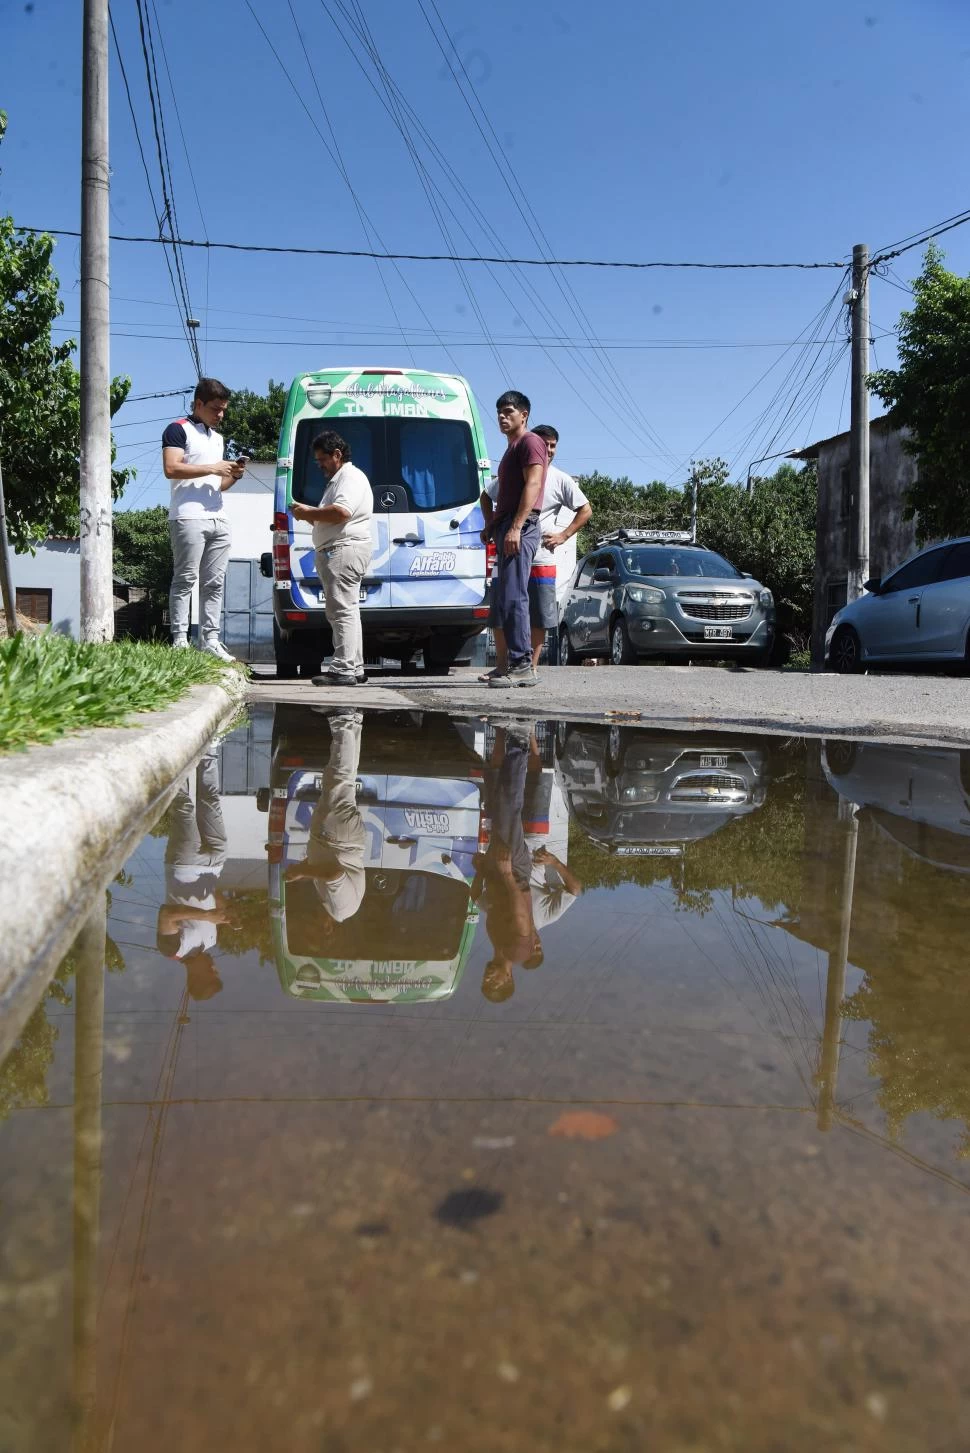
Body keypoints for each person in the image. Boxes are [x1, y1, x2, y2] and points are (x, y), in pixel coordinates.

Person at [480, 423, 591, 679]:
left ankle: (530, 666)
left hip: (540, 554)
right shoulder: (516, 471)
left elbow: (586, 510)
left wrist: (563, 535)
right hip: (510, 547)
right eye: (544, 445)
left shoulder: (560, 479)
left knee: (538, 613)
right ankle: (502, 665)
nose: (548, 450)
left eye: (553, 446)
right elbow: (486, 496)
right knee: (503, 606)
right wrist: (493, 525)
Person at [162, 377, 245, 659]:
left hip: (218, 516)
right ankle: (180, 640)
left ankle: (210, 640)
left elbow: (217, 484)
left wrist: (232, 476)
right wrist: (212, 467)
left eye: (223, 410)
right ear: (198, 404)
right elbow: (172, 469)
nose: (220, 415)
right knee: (185, 578)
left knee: (215, 582)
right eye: (215, 409)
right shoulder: (177, 430)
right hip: (188, 517)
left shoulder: (218, 439)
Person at [291, 431, 374, 687]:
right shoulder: (343, 478)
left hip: (342, 550)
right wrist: (310, 516)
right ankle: (354, 666)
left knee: (341, 611)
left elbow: (341, 512)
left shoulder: (348, 477)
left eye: (322, 459)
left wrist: (308, 512)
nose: (319, 465)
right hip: (342, 549)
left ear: (337, 455)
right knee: (347, 610)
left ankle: (343, 669)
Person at [470, 721, 544, 1001]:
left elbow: (478, 897)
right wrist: (506, 874)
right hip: (512, 871)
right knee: (509, 808)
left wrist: (481, 872)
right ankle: (520, 741)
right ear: (508, 978)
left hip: (497, 870)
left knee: (499, 804)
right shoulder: (518, 952)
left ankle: (512, 739)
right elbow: (522, 917)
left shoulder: (498, 945)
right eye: (494, 982)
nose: (488, 977)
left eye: (486, 982)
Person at [156, 751, 234, 1002]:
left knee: (184, 807)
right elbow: (212, 897)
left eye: (212, 974)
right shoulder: (210, 941)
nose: (215, 968)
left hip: (185, 865)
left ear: (197, 977)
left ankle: (171, 754)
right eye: (217, 973)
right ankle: (210, 751)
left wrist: (207, 916)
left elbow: (167, 914)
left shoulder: (172, 950)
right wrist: (227, 911)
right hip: (214, 865)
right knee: (211, 800)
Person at [484, 391, 549, 689]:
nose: (502, 416)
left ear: (524, 415)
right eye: (499, 412)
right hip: (507, 525)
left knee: (514, 596)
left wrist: (516, 527)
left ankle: (522, 664)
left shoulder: (530, 442)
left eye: (508, 411)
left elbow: (533, 484)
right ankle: (515, 663)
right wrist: (493, 525)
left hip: (521, 527)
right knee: (506, 597)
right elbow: (493, 496)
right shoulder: (511, 450)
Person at [283, 708, 366, 937]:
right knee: (339, 778)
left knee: (343, 780)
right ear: (326, 926)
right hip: (338, 838)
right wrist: (303, 872)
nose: (305, 919)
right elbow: (335, 874)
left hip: (337, 839)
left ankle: (353, 723)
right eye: (308, 925)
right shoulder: (340, 908)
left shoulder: (336, 907)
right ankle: (344, 722)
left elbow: (331, 871)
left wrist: (308, 862)